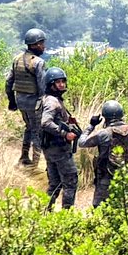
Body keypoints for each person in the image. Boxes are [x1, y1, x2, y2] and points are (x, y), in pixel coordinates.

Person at [77, 100, 128, 208]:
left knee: (99, 207)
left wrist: (91, 125)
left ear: (105, 117)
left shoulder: (103, 133)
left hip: (105, 177)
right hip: (124, 176)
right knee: (121, 208)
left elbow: (81, 143)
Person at [6, 28, 47, 167]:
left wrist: (12, 101)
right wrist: (44, 102)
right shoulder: (38, 62)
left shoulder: (17, 59)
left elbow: (8, 82)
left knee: (28, 127)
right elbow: (42, 86)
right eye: (41, 43)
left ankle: (24, 155)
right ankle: (35, 164)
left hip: (21, 101)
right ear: (34, 44)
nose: (43, 46)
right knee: (37, 131)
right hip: (34, 102)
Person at [40, 67, 79, 210]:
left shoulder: (53, 100)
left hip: (52, 149)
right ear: (51, 84)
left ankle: (45, 210)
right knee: (71, 181)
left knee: (55, 183)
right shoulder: (52, 102)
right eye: (58, 82)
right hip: (58, 149)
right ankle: (66, 215)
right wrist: (65, 134)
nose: (62, 84)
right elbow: (45, 122)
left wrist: (68, 122)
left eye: (63, 81)